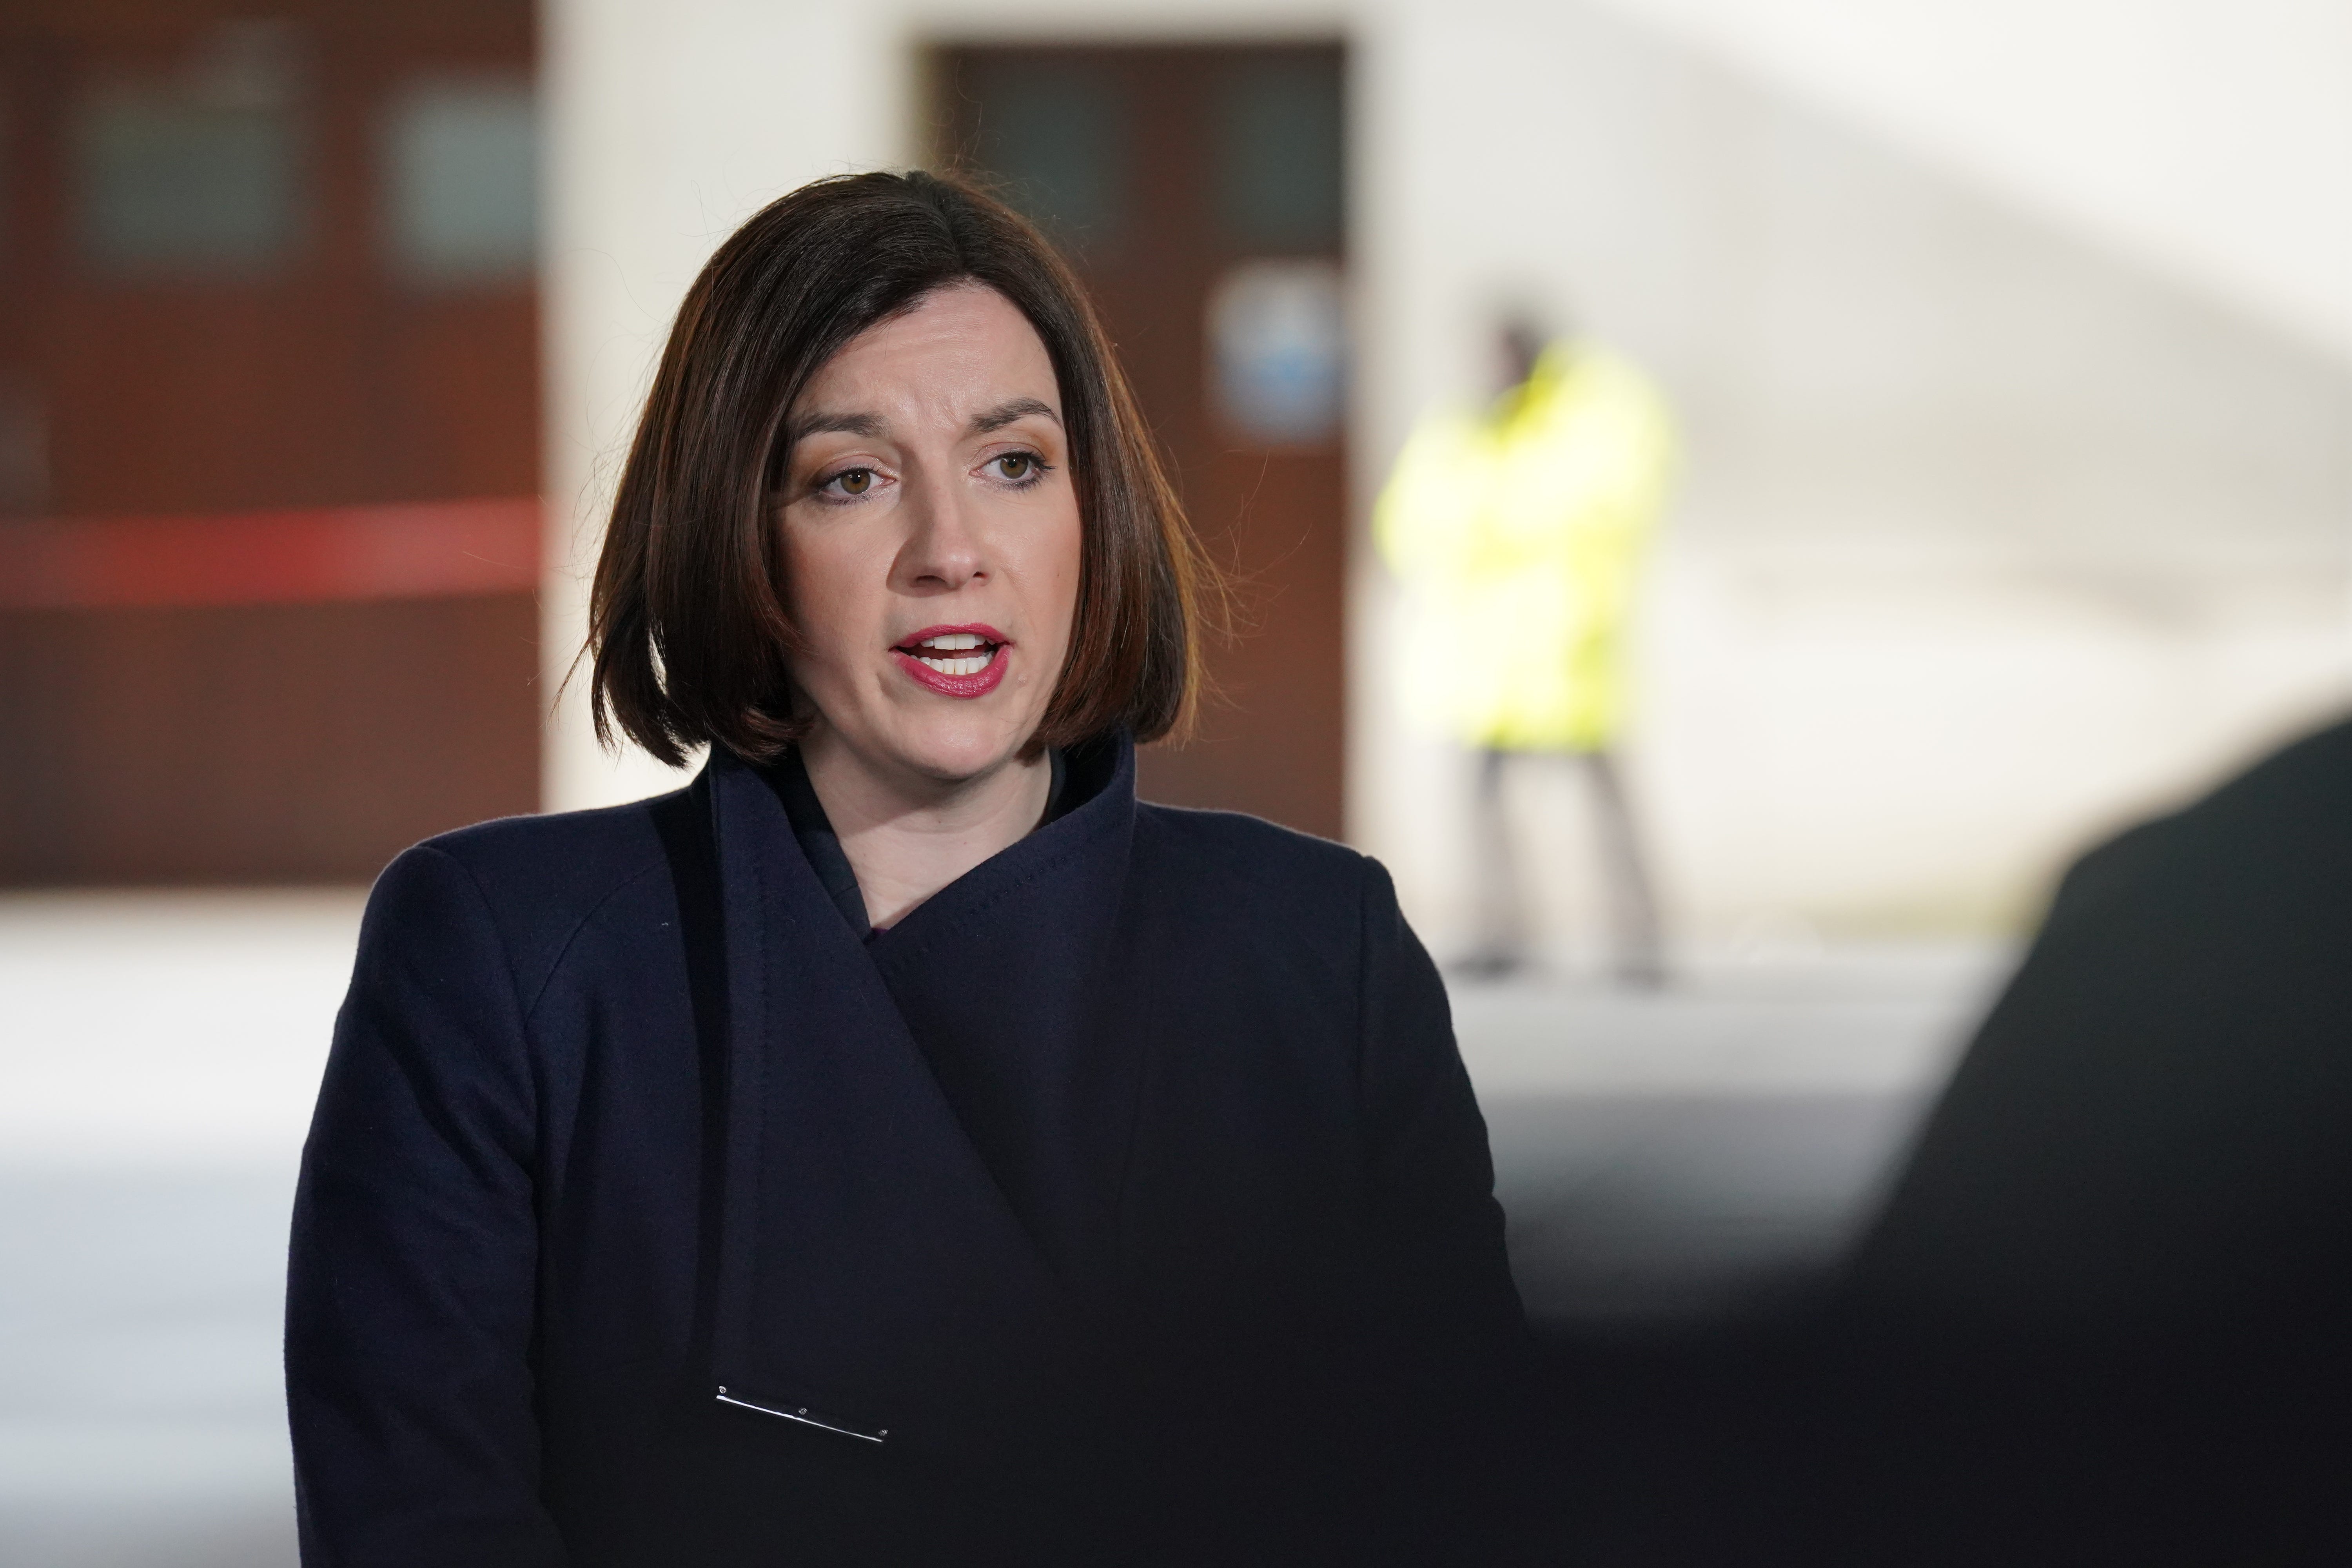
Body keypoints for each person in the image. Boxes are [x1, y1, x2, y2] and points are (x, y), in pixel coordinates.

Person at [283, 171, 1528, 1566]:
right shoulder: (506, 963)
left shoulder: (1320, 955)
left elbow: (1464, 1500)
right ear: (738, 538)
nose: (952, 552)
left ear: (1090, 511)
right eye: (853, 479)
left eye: (1013, 464)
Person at [1374, 316, 1673, 985]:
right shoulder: (1467, 426)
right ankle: (1498, 935)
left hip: (1567, 648)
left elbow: (1595, 505)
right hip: (1488, 658)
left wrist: (1492, 524)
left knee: (1604, 806)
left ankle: (1639, 941)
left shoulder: (1592, 415)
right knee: (1485, 811)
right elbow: (1410, 520)